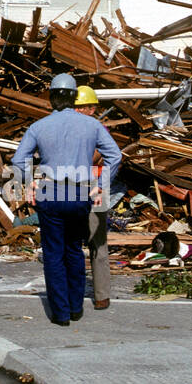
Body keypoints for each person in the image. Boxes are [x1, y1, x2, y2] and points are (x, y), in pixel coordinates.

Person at [13, 74, 122, 326]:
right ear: (74, 98)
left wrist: (29, 181)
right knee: (74, 249)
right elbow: (114, 156)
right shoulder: (92, 125)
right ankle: (75, 307)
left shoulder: (38, 126)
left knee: (53, 253)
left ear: (52, 97)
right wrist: (101, 186)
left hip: (50, 192)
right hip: (79, 193)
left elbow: (18, 159)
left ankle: (60, 313)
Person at [74, 85, 114, 310]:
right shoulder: (70, 129)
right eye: (76, 107)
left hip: (95, 188)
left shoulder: (99, 130)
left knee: (98, 243)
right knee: (73, 242)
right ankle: (75, 290)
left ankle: (101, 295)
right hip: (74, 187)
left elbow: (105, 157)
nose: (78, 111)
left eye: (83, 108)